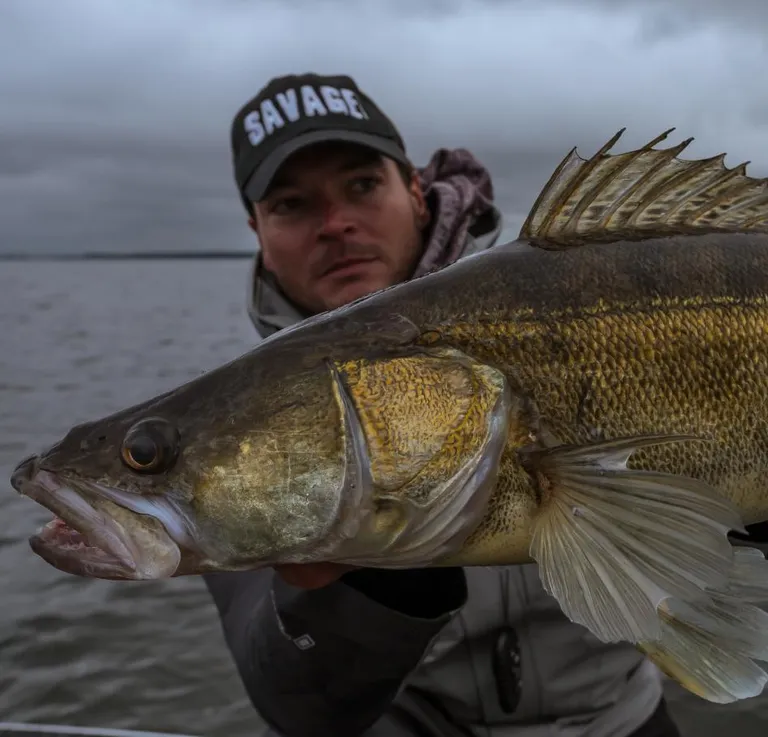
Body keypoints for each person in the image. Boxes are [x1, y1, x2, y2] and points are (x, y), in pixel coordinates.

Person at [203, 72, 683, 737]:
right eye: (291, 204)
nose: (336, 224)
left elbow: (706, 577)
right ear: (258, 230)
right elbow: (295, 699)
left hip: (620, 721)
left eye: (362, 185)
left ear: (416, 191)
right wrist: (380, 574)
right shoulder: (237, 429)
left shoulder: (572, 291)